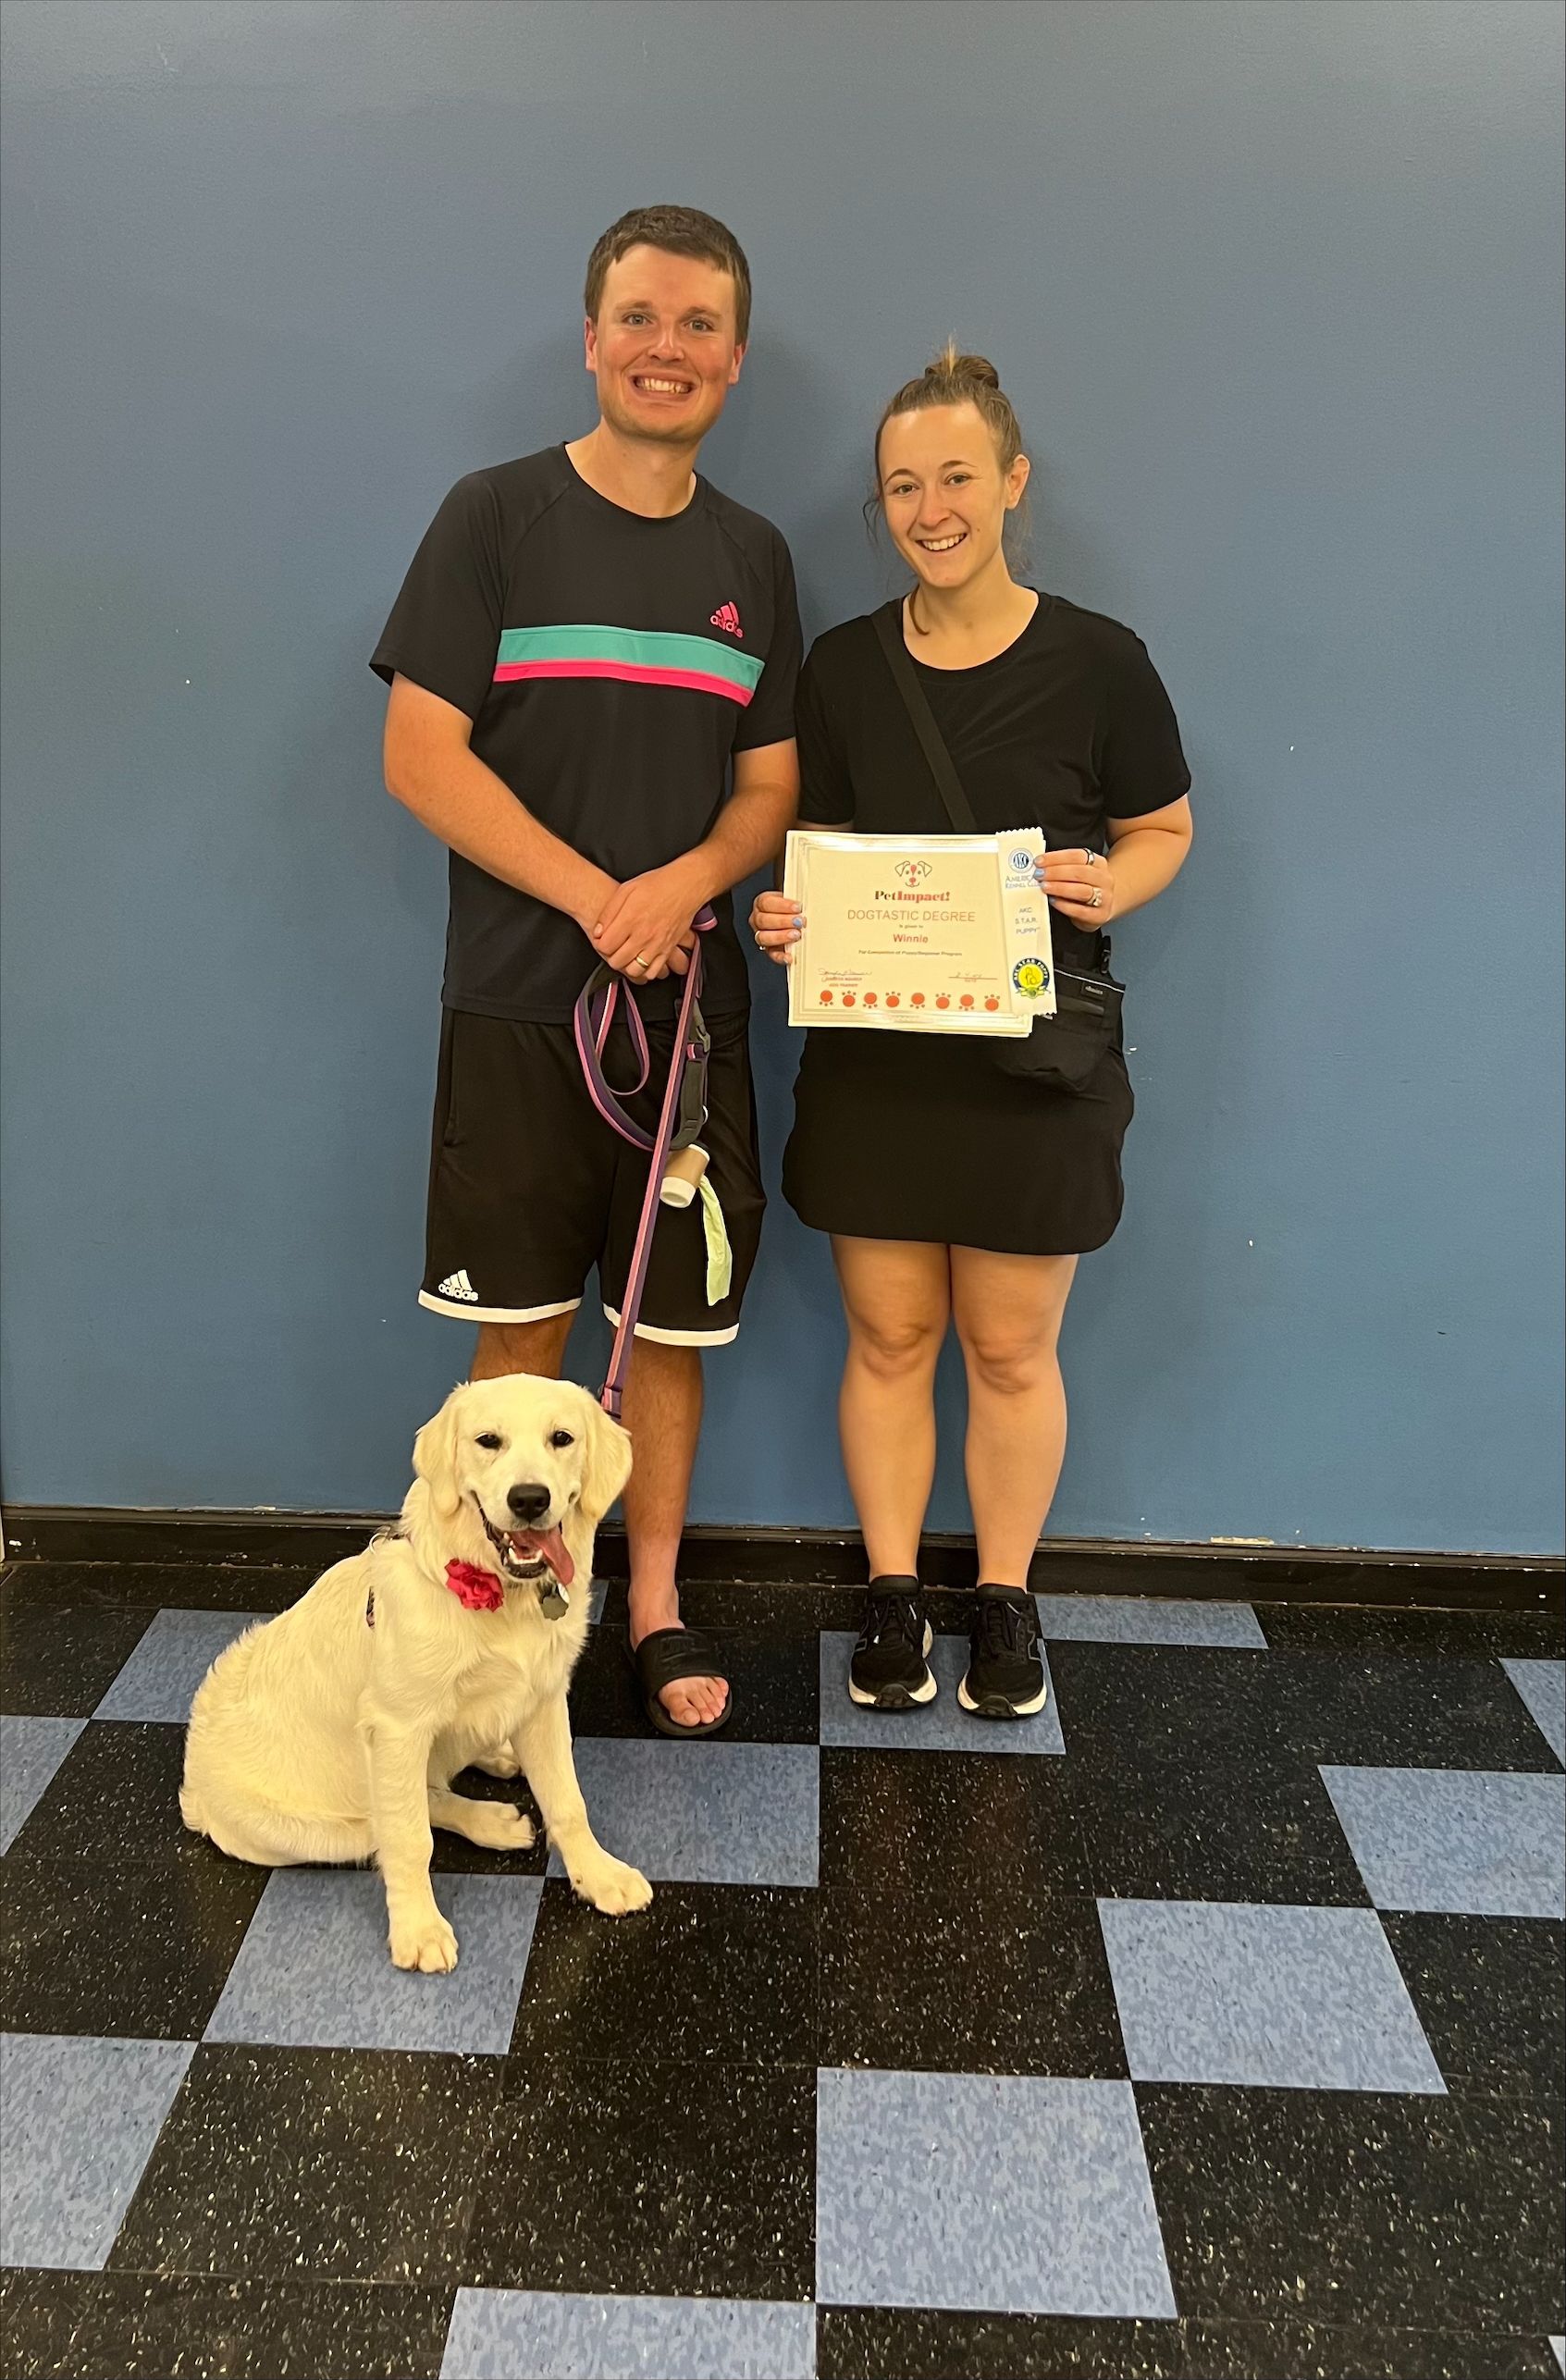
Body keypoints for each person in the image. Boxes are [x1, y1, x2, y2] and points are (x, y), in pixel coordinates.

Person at [372, 206, 801, 1737]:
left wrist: (679, 890)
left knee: (665, 1332)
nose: (664, 347)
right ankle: (512, 1604)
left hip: (684, 1021)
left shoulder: (752, 555)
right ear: (591, 336)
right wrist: (596, 897)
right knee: (528, 1337)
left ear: (733, 358)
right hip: (513, 1005)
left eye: (695, 325)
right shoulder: (491, 516)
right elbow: (420, 755)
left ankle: (655, 1598)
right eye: (638, 317)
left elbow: (767, 789)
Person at [752, 346, 1191, 1720]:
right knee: (887, 1337)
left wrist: (1114, 881)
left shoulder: (1101, 660)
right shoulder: (838, 667)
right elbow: (812, 839)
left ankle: (1002, 1596)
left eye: (954, 476)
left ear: (1011, 482)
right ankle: (892, 1597)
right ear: (877, 508)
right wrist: (792, 917)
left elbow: (1162, 823)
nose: (928, 507)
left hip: (1034, 1065)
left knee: (1009, 1347)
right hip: (881, 1059)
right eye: (900, 485)